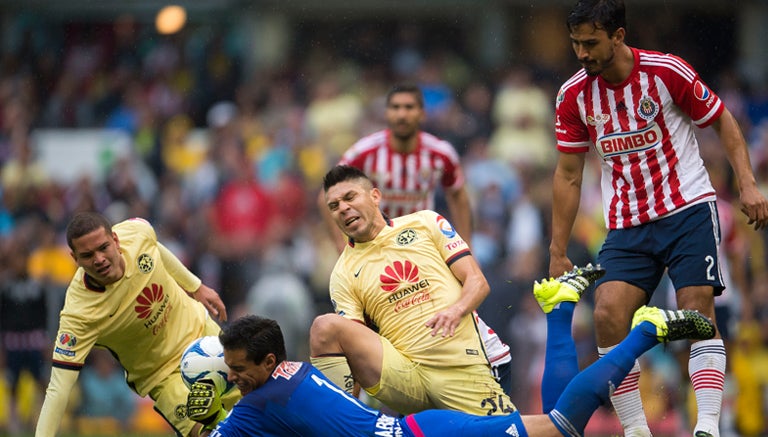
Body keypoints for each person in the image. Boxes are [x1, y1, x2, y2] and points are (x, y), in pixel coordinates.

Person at [549, 1, 768, 436]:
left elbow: (721, 119)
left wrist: (746, 182)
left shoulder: (666, 72)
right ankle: (636, 430)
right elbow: (568, 175)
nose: (582, 54)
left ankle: (708, 425)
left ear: (618, 35)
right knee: (608, 313)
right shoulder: (573, 95)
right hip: (627, 222)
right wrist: (557, 249)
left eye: (590, 43)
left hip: (687, 209)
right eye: (576, 44)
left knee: (695, 313)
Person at [185, 265, 717, 437]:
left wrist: (200, 403)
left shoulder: (259, 405)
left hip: (423, 428)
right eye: (228, 374)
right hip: (415, 424)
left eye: (236, 371)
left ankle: (643, 333)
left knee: (559, 426)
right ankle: (559, 309)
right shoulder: (286, 378)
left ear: (267, 362)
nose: (234, 381)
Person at [319, 84, 512, 394]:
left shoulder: (440, 154)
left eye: (409, 107)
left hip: (422, 248)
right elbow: (330, 195)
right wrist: (344, 248)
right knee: (365, 327)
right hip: (371, 252)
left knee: (455, 303)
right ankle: (363, 405)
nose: (401, 114)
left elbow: (459, 195)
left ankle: (484, 366)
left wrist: (467, 246)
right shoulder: (364, 152)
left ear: (422, 114)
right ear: (387, 114)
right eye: (395, 108)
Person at [310, 164, 511, 416]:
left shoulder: (425, 222)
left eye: (350, 197)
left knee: (508, 432)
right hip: (405, 377)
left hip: (461, 363)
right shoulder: (342, 274)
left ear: (375, 196)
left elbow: (478, 282)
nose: (342, 208)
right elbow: (354, 349)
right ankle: (344, 425)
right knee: (324, 327)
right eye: (334, 206)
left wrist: (456, 311)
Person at [35, 212, 235, 437]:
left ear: (116, 240)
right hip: (163, 376)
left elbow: (154, 248)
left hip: (202, 336)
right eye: (88, 255)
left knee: (258, 410)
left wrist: (196, 286)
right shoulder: (79, 314)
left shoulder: (137, 232)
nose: (99, 259)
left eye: (103, 248)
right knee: (213, 434)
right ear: (75, 259)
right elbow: (59, 388)